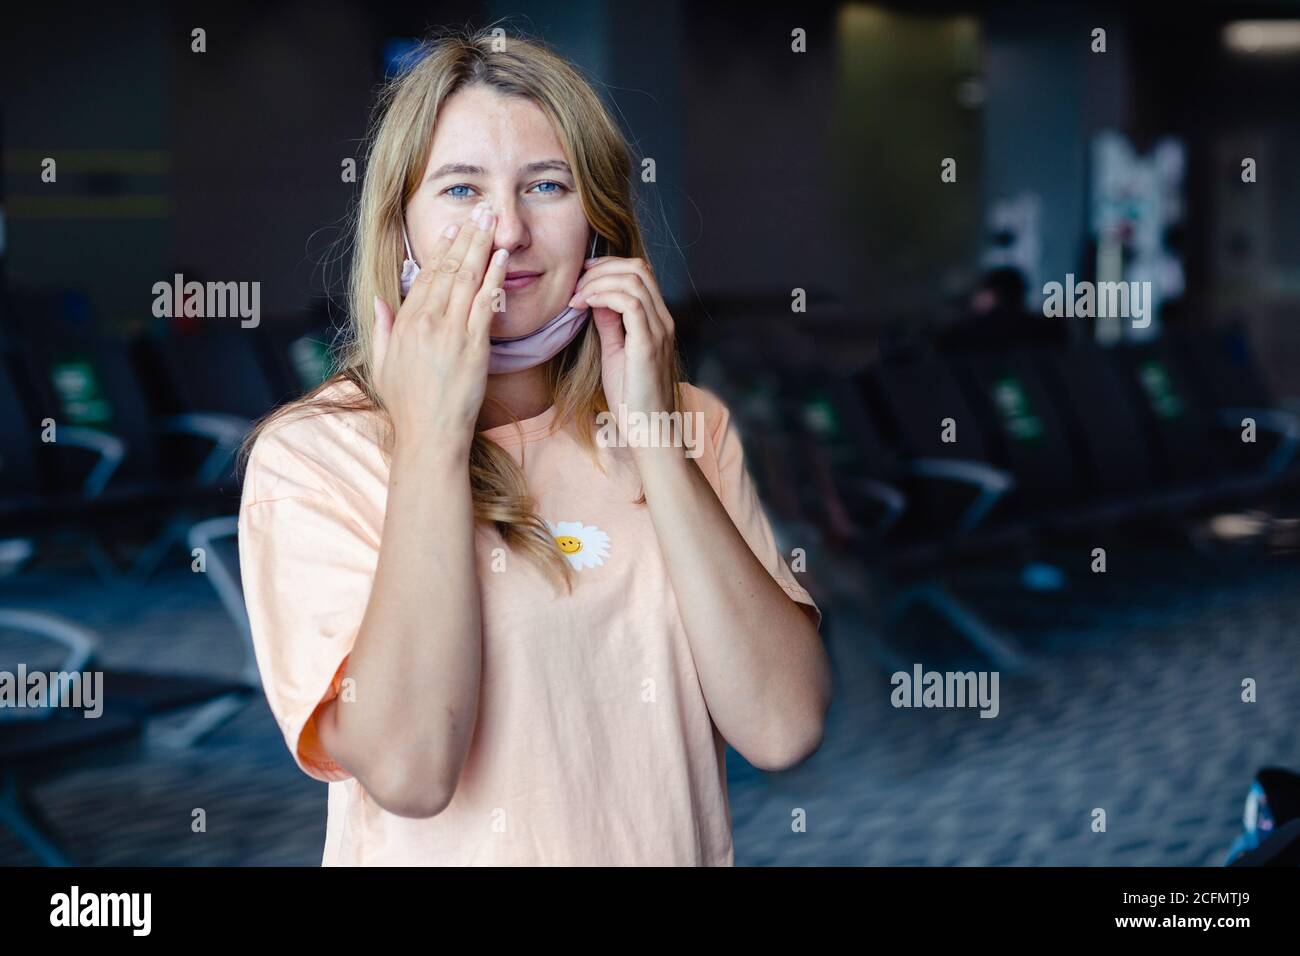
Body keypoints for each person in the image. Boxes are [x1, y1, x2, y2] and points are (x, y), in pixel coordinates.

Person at [235, 27, 830, 866]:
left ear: (598, 222)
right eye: (460, 190)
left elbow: (784, 725)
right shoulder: (315, 457)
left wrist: (654, 438)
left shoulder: (690, 423)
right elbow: (410, 770)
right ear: (399, 229)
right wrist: (433, 438)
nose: (507, 230)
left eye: (547, 186)